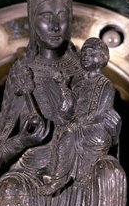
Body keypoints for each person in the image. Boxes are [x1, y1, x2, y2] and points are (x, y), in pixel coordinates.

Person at [0, 0, 128, 206]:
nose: (55, 25)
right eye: (45, 15)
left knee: (110, 174)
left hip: (80, 168)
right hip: (29, 172)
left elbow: (105, 120)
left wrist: (109, 128)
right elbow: (1, 155)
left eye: (62, 14)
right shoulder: (22, 74)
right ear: (31, 17)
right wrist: (24, 140)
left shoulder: (85, 71)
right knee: (9, 190)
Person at [38, 37, 117, 196]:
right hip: (77, 126)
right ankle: (56, 171)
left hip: (95, 130)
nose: (85, 56)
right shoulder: (79, 83)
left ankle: (58, 179)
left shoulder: (104, 84)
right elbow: (69, 108)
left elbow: (99, 112)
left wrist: (77, 123)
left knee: (68, 134)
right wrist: (62, 85)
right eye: (83, 53)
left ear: (100, 56)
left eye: (89, 53)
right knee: (62, 132)